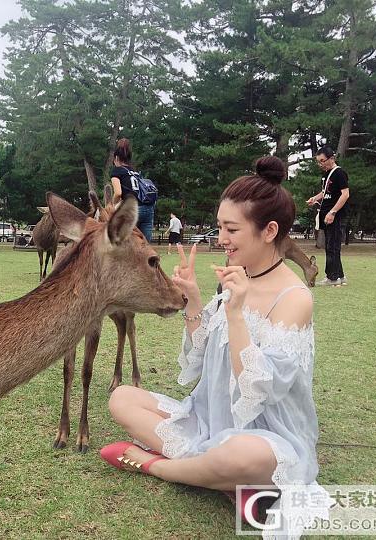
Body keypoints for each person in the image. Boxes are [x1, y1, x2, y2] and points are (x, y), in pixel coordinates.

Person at [100, 156, 330, 538]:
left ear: (269, 230)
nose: (220, 238)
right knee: (121, 399)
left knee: (241, 454)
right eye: (220, 226)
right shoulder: (234, 279)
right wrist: (192, 299)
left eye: (231, 229)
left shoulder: (294, 298)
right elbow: (202, 357)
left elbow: (259, 391)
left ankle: (154, 465)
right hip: (211, 417)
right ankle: (224, 480)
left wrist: (237, 315)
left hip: (265, 433)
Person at [306, 146, 350, 286]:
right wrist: (315, 198)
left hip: (334, 216)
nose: (320, 164)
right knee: (332, 246)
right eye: (318, 161)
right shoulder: (326, 174)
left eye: (323, 161)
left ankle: (332, 277)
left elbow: (345, 194)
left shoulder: (339, 173)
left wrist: (333, 212)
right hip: (326, 215)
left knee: (332, 246)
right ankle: (340, 276)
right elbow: (325, 192)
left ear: (332, 158)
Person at [110, 138, 155, 242]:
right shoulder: (134, 172)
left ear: (116, 158)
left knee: (128, 245)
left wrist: (111, 206)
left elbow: (118, 193)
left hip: (133, 209)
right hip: (148, 208)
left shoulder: (116, 172)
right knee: (145, 245)